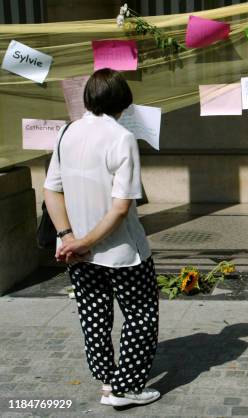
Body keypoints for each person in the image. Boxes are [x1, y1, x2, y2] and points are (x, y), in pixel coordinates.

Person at [43, 68, 160, 407]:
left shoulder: (67, 132)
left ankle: (108, 380)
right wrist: (84, 241)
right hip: (122, 251)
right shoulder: (121, 137)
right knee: (140, 315)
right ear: (122, 101)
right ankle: (127, 388)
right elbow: (121, 206)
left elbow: (51, 190)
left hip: (77, 248)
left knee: (93, 315)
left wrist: (69, 237)